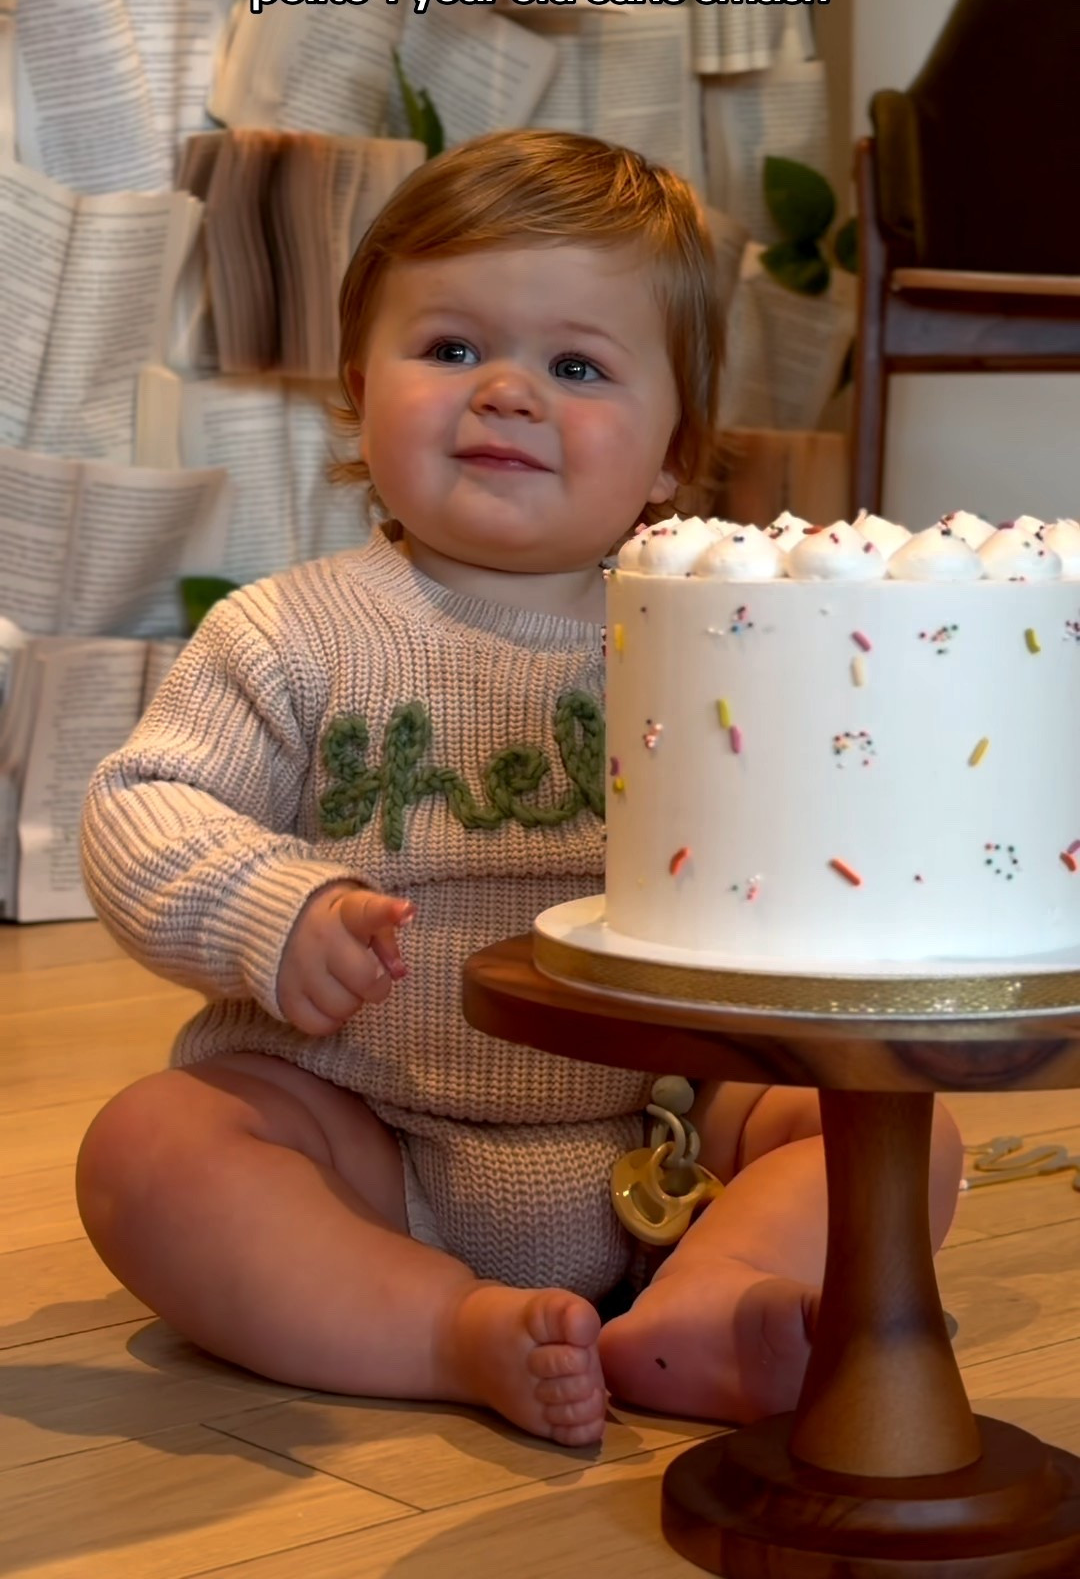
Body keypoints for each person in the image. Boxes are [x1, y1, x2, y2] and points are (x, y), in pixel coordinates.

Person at [77, 130, 963, 1448]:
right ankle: (443, 1328)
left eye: (575, 366)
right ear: (355, 385)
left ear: (673, 450)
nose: (505, 394)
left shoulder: (716, 636)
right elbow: (141, 804)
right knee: (150, 1152)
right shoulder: (294, 633)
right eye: (448, 350)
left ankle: (706, 1301)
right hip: (361, 1129)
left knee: (903, 1134)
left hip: (661, 1127)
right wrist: (275, 908)